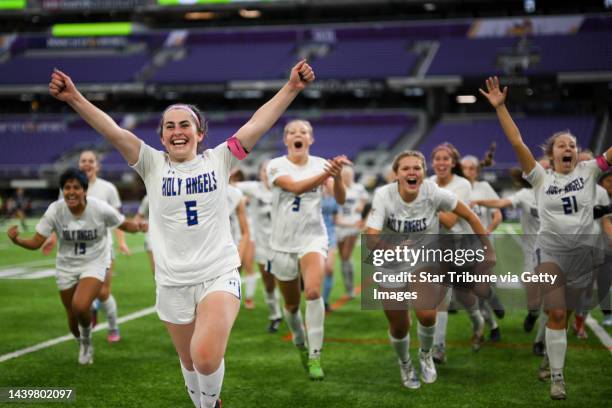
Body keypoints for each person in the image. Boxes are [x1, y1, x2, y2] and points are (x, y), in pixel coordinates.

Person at [49, 60, 315, 408]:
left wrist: (291, 88)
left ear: (199, 133)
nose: (178, 131)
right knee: (189, 362)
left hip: (217, 274)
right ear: (161, 137)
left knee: (205, 357)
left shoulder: (220, 159)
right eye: (170, 126)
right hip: (172, 282)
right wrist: (74, 98)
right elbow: (114, 132)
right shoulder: (151, 163)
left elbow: (257, 124)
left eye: (185, 125)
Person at [480, 75, 612, 400]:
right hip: (550, 253)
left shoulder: (589, 171)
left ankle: (551, 361)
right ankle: (557, 376)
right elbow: (516, 142)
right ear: (551, 153)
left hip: (582, 254)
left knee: (564, 316)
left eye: (572, 145)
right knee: (554, 313)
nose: (568, 148)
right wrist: (501, 108)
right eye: (561, 145)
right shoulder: (540, 177)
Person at [365, 150, 493, 389]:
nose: (412, 172)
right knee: (399, 325)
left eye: (417, 168)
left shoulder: (433, 192)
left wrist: (488, 248)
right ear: (397, 174)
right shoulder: (384, 195)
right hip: (390, 263)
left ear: (424, 172)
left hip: (423, 260)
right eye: (406, 168)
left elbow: (470, 216)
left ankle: (425, 355)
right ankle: (405, 363)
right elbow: (371, 238)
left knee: (426, 313)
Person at [6, 168, 145, 365]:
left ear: (84, 190)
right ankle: (83, 342)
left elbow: (123, 224)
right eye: (67, 188)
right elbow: (37, 242)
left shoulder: (99, 208)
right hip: (66, 265)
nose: (71, 192)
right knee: (72, 318)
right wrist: (17, 240)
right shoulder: (55, 210)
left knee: (80, 306)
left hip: (95, 261)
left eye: (76, 188)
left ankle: (87, 341)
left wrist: (140, 226)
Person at [267, 119, 348, 381]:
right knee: (291, 305)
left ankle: (315, 355)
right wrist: (329, 172)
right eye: (292, 132)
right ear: (286, 140)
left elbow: (340, 199)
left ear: (310, 139)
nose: (297, 135)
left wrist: (336, 178)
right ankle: (300, 342)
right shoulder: (276, 165)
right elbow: (295, 187)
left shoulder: (321, 164)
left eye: (303, 132)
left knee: (313, 292)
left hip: (312, 238)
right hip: (281, 243)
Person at [42, 150, 131, 343]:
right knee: (78, 298)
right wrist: (52, 238)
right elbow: (59, 218)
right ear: (79, 163)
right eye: (83, 161)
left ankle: (113, 326)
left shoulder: (108, 189)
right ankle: (90, 311)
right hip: (73, 252)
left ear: (97, 166)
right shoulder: (67, 188)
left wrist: (122, 242)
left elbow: (118, 220)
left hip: (102, 249)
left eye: (91, 161)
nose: (87, 164)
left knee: (104, 292)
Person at [428, 143, 487, 363]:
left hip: (461, 243)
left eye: (446, 159)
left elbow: (452, 220)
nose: (441, 163)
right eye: (437, 159)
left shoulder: (462, 185)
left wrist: (428, 202)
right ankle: (439, 347)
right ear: (432, 162)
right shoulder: (427, 183)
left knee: (464, 296)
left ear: (453, 163)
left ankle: (478, 323)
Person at [235, 161, 283, 332]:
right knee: (268, 283)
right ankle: (275, 315)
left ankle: (292, 312)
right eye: (264, 170)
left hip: (285, 244)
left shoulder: (284, 188)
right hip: (263, 245)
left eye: (271, 170)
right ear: (260, 173)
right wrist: (232, 172)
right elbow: (229, 183)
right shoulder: (254, 188)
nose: (267, 173)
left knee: (287, 283)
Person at [461, 155, 504, 342]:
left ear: (477, 171)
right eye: (465, 168)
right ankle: (492, 325)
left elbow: (497, 214)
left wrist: (487, 231)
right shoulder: (456, 189)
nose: (468, 171)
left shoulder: (484, 188)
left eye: (472, 168)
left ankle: (493, 300)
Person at [335, 166, 369, 299]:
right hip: (339, 225)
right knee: (344, 258)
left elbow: (366, 199)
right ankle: (348, 286)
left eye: (350, 174)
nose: (348, 177)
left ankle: (350, 288)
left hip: (353, 224)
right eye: (345, 175)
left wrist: (361, 204)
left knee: (345, 255)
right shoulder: (338, 188)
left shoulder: (358, 188)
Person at [230, 168, 258, 310]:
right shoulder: (229, 193)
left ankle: (249, 298)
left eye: (235, 177)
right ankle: (236, 297)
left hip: (249, 233)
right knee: (235, 269)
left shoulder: (247, 191)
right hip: (233, 233)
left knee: (248, 265)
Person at [321, 178, 340, 312]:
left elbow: (337, 220)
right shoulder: (313, 195)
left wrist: (356, 224)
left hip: (330, 235)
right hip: (314, 235)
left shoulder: (335, 199)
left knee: (329, 269)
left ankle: (325, 301)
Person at [134, 195, 155, 274]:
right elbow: (139, 215)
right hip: (151, 236)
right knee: (156, 269)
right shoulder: (148, 197)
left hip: (170, 236)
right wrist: (136, 226)